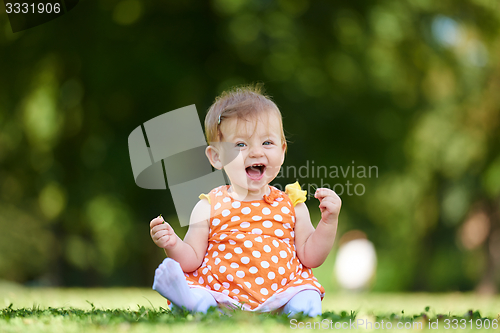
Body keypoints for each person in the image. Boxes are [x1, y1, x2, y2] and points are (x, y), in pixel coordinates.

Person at [149, 84, 341, 316]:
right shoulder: (208, 205)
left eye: (267, 143)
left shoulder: (292, 205)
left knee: (306, 294)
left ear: (282, 151)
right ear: (217, 157)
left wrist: (328, 222)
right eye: (241, 144)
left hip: (282, 293)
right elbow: (192, 259)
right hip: (222, 294)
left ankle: (302, 311)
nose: (256, 152)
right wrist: (172, 243)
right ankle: (192, 301)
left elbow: (311, 256)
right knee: (200, 294)